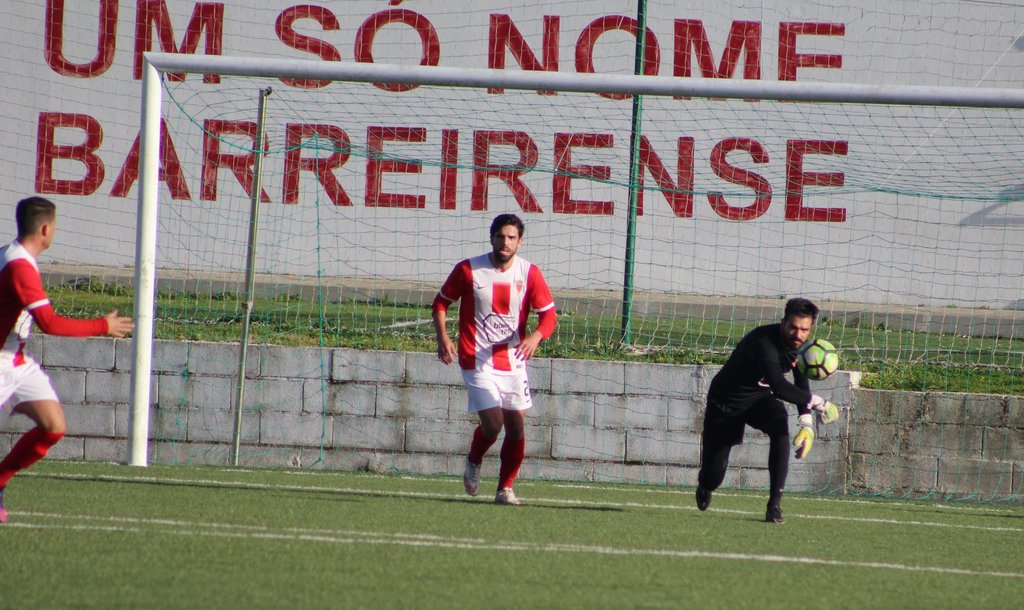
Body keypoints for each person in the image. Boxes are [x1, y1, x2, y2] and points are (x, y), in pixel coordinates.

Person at [0, 197, 134, 523]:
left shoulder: (17, 257)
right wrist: (102, 326)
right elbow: (49, 323)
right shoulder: (19, 266)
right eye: (55, 226)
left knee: (54, 426)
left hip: (17, 361)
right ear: (45, 229)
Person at [432, 213, 556, 506]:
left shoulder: (529, 273)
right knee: (493, 423)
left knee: (516, 428)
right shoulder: (469, 269)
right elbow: (441, 302)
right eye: (500, 236)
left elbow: (549, 316)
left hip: (513, 361)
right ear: (491, 238)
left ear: (520, 242)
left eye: (511, 237)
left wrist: (535, 337)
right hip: (476, 359)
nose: (505, 242)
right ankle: (474, 459)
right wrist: (443, 337)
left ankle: (505, 489)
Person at [695, 297, 839, 524]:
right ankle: (705, 484)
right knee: (714, 476)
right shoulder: (762, 341)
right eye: (793, 327)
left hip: (758, 399)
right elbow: (779, 386)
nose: (797, 334)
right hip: (726, 403)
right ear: (783, 323)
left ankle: (774, 506)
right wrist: (821, 403)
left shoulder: (803, 349)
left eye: (804, 330)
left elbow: (800, 382)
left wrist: (807, 423)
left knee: (779, 421)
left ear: (811, 329)